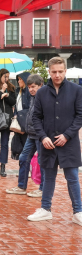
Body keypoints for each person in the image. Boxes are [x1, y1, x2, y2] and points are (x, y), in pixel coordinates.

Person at [27, 57, 82, 225]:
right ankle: (45, 209)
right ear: (49, 72)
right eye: (54, 72)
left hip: (69, 142)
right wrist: (43, 137)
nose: (57, 75)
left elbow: (80, 116)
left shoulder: (76, 90)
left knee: (72, 176)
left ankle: (78, 211)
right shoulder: (42, 92)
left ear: (65, 71)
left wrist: (67, 135)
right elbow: (36, 117)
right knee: (48, 176)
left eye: (60, 71)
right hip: (48, 142)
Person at [5, 74, 45, 197]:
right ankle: (21, 186)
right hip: (31, 134)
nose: (31, 89)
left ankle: (43, 189)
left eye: (33, 86)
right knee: (23, 158)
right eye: (29, 87)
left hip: (40, 135)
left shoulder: (44, 98)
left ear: (40, 86)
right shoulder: (32, 97)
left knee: (42, 161)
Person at [11, 72, 31, 160]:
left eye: (20, 79)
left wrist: (19, 114)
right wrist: (15, 114)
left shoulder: (29, 92)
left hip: (25, 121)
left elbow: (30, 108)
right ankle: (22, 169)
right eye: (18, 79)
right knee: (19, 144)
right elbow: (16, 105)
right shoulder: (19, 91)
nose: (18, 81)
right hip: (18, 120)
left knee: (26, 145)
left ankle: (28, 169)